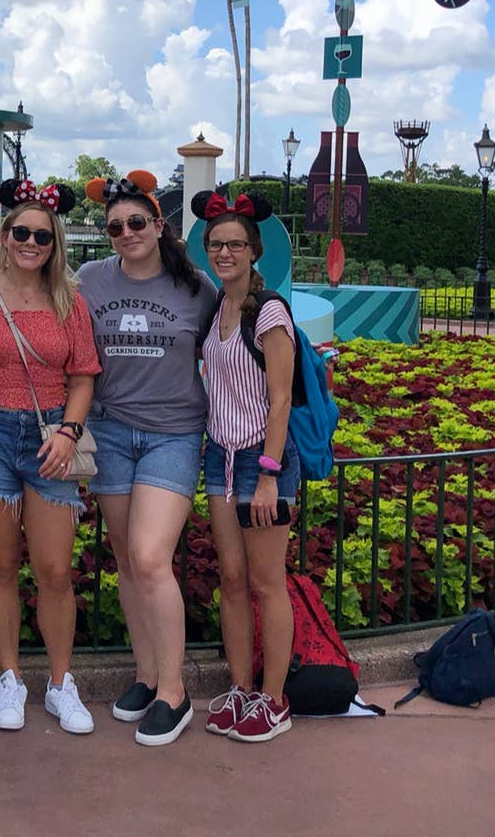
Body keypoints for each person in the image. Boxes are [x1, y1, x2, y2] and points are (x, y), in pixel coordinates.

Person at [0, 179, 101, 734]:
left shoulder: (68, 300)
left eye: (42, 234)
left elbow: (83, 374)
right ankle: (10, 675)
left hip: (50, 437)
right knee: (1, 564)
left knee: (56, 569)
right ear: (4, 235)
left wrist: (67, 430)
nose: (31, 242)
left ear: (54, 241)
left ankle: (61, 682)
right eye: (22, 232)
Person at [77, 170, 217, 747]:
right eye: (115, 227)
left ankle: (174, 691)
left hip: (173, 435)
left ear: (159, 225)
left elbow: (233, 342)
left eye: (137, 222)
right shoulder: (89, 279)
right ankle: (145, 673)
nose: (126, 233)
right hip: (109, 432)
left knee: (149, 555)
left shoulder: (197, 288)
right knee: (127, 561)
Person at [192, 189, 300, 743]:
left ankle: (273, 698)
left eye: (235, 243)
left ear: (254, 250)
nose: (225, 252)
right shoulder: (219, 308)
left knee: (265, 582)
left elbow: (280, 398)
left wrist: (269, 472)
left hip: (262, 457)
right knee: (231, 579)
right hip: (220, 456)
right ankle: (240, 687)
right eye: (216, 244)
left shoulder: (270, 311)